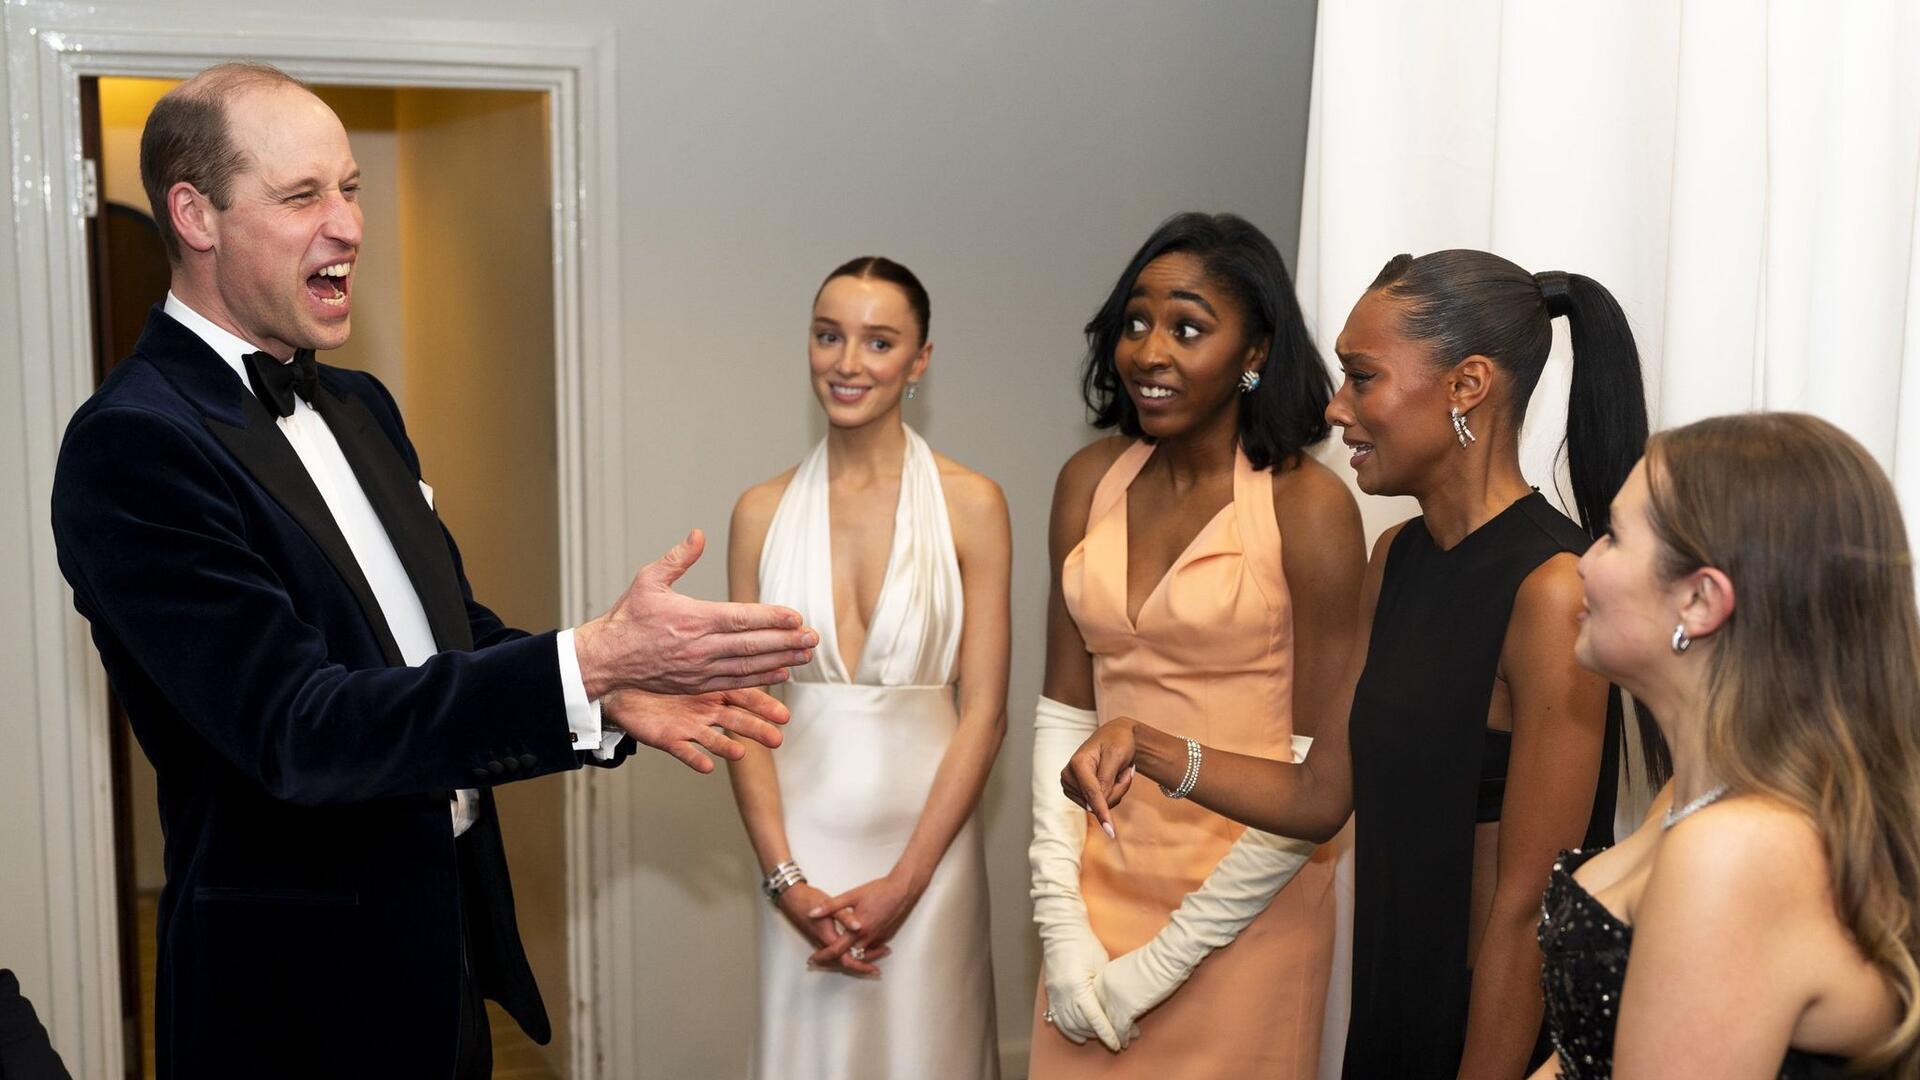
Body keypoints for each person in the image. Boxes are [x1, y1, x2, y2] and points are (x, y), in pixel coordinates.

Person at [49, 63, 815, 1079]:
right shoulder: (136, 446)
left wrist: (608, 694)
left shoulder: (361, 404)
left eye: (352, 188)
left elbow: (443, 636)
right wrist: (581, 663)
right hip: (290, 1000)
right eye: (302, 195)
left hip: (440, 959)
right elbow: (299, 727)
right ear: (195, 214)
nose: (348, 225)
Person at [1064, 249, 1652, 1078]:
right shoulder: (1396, 556)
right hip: (1390, 1005)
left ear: (1467, 385)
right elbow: (1320, 794)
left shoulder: (1552, 590)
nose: (1336, 408)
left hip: (1489, 1033)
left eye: (1361, 376)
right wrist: (1146, 745)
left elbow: (1531, 906)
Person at [1028, 213, 1363, 1079]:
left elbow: (1321, 769)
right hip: (1098, 893)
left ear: (1254, 352)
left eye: (1188, 327)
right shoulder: (1087, 482)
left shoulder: (1310, 508)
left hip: (1249, 907)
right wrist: (1062, 926)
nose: (1149, 352)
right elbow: (1064, 711)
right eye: (1136, 323)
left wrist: (1166, 961)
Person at [1530, 413, 1918, 1079]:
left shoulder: (1739, 846)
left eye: (1614, 538)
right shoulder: (1701, 795)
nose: (1582, 563)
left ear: (1701, 601)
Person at [726, 256, 1010, 1080]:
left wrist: (908, 883)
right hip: (799, 853)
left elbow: (984, 714)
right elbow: (744, 710)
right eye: (829, 336)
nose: (847, 363)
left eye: (878, 342)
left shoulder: (975, 505)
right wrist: (785, 880)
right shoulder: (759, 513)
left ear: (919, 360)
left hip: (931, 853)